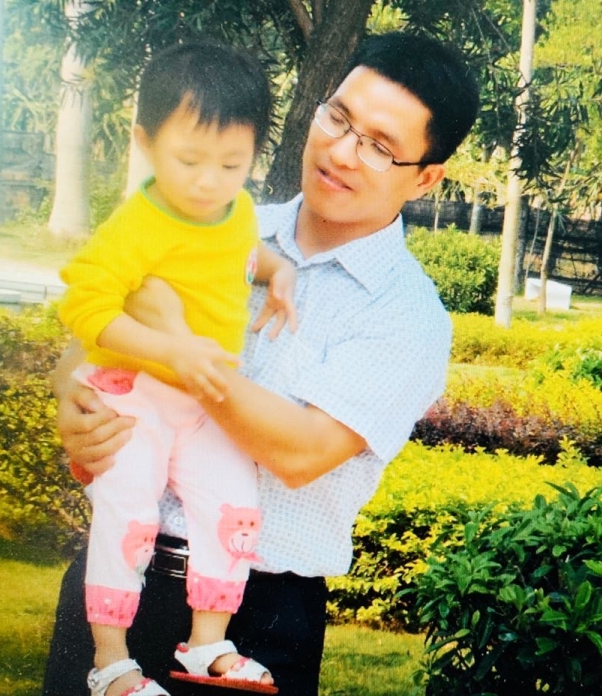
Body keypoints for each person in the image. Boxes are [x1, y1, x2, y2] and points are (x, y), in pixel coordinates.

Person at [43, 32, 480, 696]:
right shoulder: (213, 216)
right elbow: (90, 334)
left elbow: (299, 452)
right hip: (115, 580)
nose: (340, 151)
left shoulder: (407, 317)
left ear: (425, 177)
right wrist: (73, 403)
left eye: (378, 146)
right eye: (337, 118)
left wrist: (177, 347)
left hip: (255, 617)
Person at [56, 41, 295, 696]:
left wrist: (280, 273)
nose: (208, 181)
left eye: (231, 164)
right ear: (146, 142)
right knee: (130, 517)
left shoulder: (235, 210)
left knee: (234, 509)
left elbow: (243, 252)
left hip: (202, 401)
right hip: (135, 393)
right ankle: (111, 663)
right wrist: (171, 350)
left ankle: (208, 643)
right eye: (189, 160)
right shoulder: (135, 225)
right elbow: (84, 306)